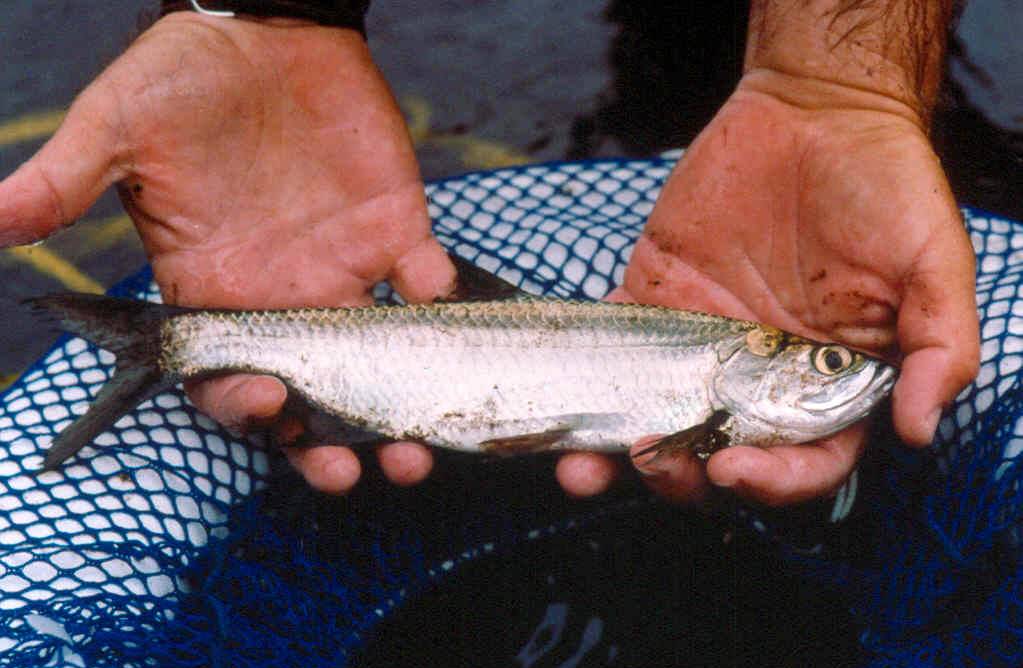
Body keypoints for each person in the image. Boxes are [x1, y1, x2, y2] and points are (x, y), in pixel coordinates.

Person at [0, 0, 978, 508]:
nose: (851, 373)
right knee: (661, 57)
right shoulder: (715, 365)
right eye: (830, 363)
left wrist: (830, 80)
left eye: (836, 365)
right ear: (755, 362)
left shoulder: (723, 370)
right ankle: (182, 342)